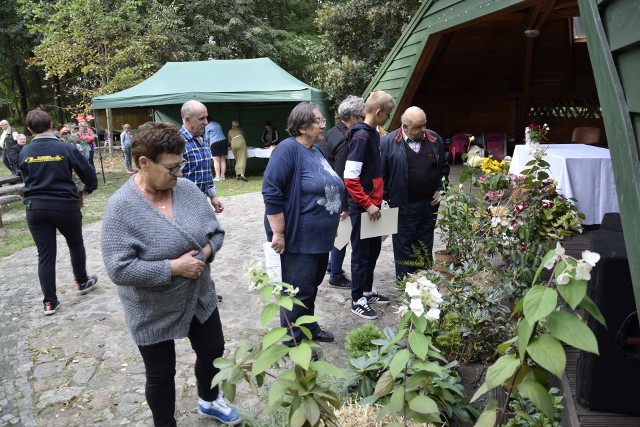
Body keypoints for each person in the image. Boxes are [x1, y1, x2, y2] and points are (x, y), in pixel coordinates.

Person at [101, 122, 241, 426]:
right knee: (161, 374)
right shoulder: (121, 208)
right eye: (172, 168)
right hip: (151, 307)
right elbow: (119, 267)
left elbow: (215, 234)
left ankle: (210, 399)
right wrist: (173, 268)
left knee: (213, 350)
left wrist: (201, 257)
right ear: (144, 163)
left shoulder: (187, 191)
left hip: (198, 296)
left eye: (182, 165)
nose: (178, 174)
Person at [262, 102, 343, 360]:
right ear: (301, 126)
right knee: (296, 290)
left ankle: (308, 327)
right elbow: (271, 192)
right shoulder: (287, 150)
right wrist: (278, 233)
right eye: (318, 121)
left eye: (322, 120)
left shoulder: (315, 150)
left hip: (320, 239)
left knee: (311, 286)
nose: (323, 125)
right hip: (298, 238)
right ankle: (293, 339)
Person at [18, 109, 99, 315]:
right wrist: (90, 186)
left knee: (45, 255)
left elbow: (24, 176)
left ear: (29, 129)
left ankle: (49, 302)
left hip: (35, 208)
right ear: (51, 125)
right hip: (64, 206)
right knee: (75, 244)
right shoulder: (65, 148)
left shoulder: (25, 152)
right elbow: (87, 171)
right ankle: (81, 281)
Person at [381, 106, 450, 282]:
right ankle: (405, 287)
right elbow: (382, 175)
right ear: (405, 127)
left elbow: (444, 167)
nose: (423, 130)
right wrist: (388, 200)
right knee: (404, 247)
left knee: (425, 246)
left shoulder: (435, 139)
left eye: (425, 125)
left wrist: (441, 189)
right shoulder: (388, 143)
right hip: (403, 206)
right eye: (419, 127)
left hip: (429, 205)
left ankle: (424, 286)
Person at [344, 91, 395, 320]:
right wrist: (367, 204)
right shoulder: (361, 137)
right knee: (361, 253)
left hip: (374, 207)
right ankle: (357, 299)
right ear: (378, 112)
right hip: (363, 208)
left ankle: (367, 290)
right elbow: (350, 178)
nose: (388, 117)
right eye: (388, 113)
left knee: (373, 251)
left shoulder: (373, 133)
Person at [319, 95, 366, 289]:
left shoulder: (332, 131)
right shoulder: (346, 139)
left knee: (338, 233)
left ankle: (332, 266)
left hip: (327, 190)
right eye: (362, 117)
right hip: (337, 195)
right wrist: (343, 206)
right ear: (354, 117)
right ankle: (336, 275)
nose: (364, 120)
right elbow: (342, 175)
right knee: (343, 235)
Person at [179, 100, 224, 213]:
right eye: (201, 118)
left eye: (206, 118)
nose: (206, 122)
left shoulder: (203, 138)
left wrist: (212, 196)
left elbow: (206, 171)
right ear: (187, 119)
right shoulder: (177, 143)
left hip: (201, 203)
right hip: (183, 207)